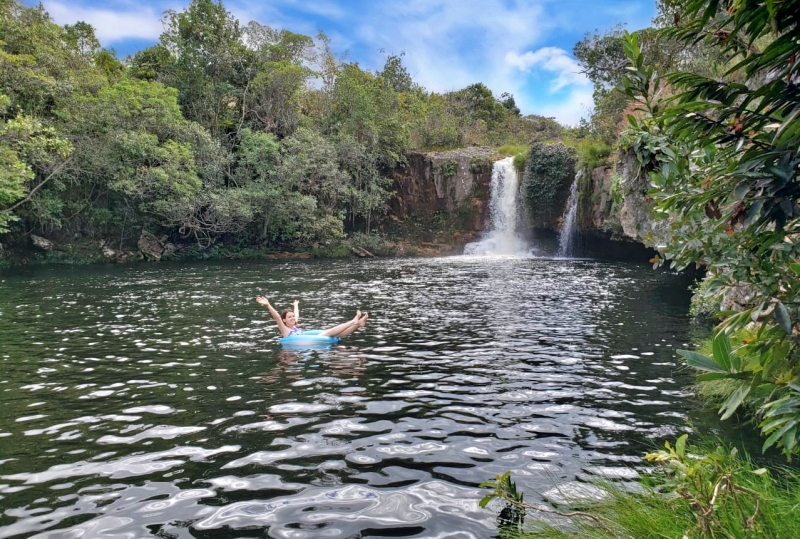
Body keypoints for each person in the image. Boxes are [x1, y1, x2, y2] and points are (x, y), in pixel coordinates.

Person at [255, 296, 368, 338]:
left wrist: (296, 305)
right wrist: (268, 305)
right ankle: (353, 321)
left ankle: (357, 324)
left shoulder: (295, 326)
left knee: (336, 334)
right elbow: (277, 318)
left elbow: (296, 315)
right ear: (284, 320)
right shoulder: (285, 330)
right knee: (328, 332)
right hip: (305, 342)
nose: (293, 318)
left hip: (308, 337)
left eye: (293, 317)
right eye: (289, 317)